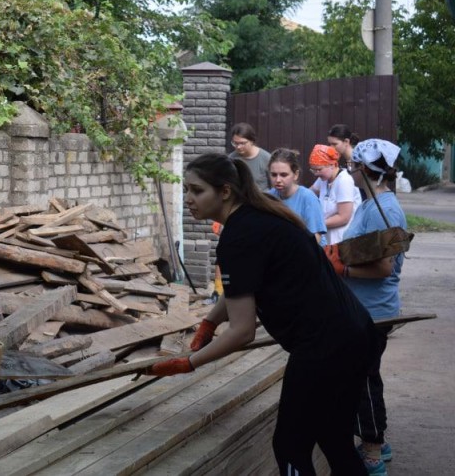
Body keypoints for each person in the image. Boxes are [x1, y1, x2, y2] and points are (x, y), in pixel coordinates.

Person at [147, 153, 376, 476]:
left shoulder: (239, 237)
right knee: (334, 439)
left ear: (225, 191)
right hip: (352, 333)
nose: (189, 199)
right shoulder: (261, 218)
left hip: (323, 347)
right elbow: (243, 285)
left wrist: (188, 363)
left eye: (197, 191)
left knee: (290, 446)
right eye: (186, 190)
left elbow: (242, 331)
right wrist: (211, 321)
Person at [322, 139, 407, 476]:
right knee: (365, 374)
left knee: (363, 380)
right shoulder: (373, 204)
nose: (351, 172)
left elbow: (384, 269)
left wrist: (342, 269)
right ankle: (378, 443)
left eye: (354, 167)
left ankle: (372, 451)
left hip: (374, 312)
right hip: (365, 309)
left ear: (364, 170)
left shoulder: (386, 209)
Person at [267, 148, 327, 245]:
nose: (278, 179)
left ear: (295, 174)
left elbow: (316, 237)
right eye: (274, 175)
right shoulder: (269, 197)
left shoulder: (308, 198)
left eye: (283, 175)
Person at [309, 144, 360, 244]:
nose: (316, 174)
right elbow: (309, 193)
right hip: (327, 239)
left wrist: (316, 224)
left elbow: (344, 217)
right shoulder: (324, 178)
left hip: (341, 239)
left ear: (332, 165)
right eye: (313, 170)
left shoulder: (344, 181)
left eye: (319, 169)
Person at [228, 122, 271, 189]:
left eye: (242, 143)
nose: (238, 147)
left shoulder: (266, 158)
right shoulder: (231, 158)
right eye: (235, 143)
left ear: (252, 141)